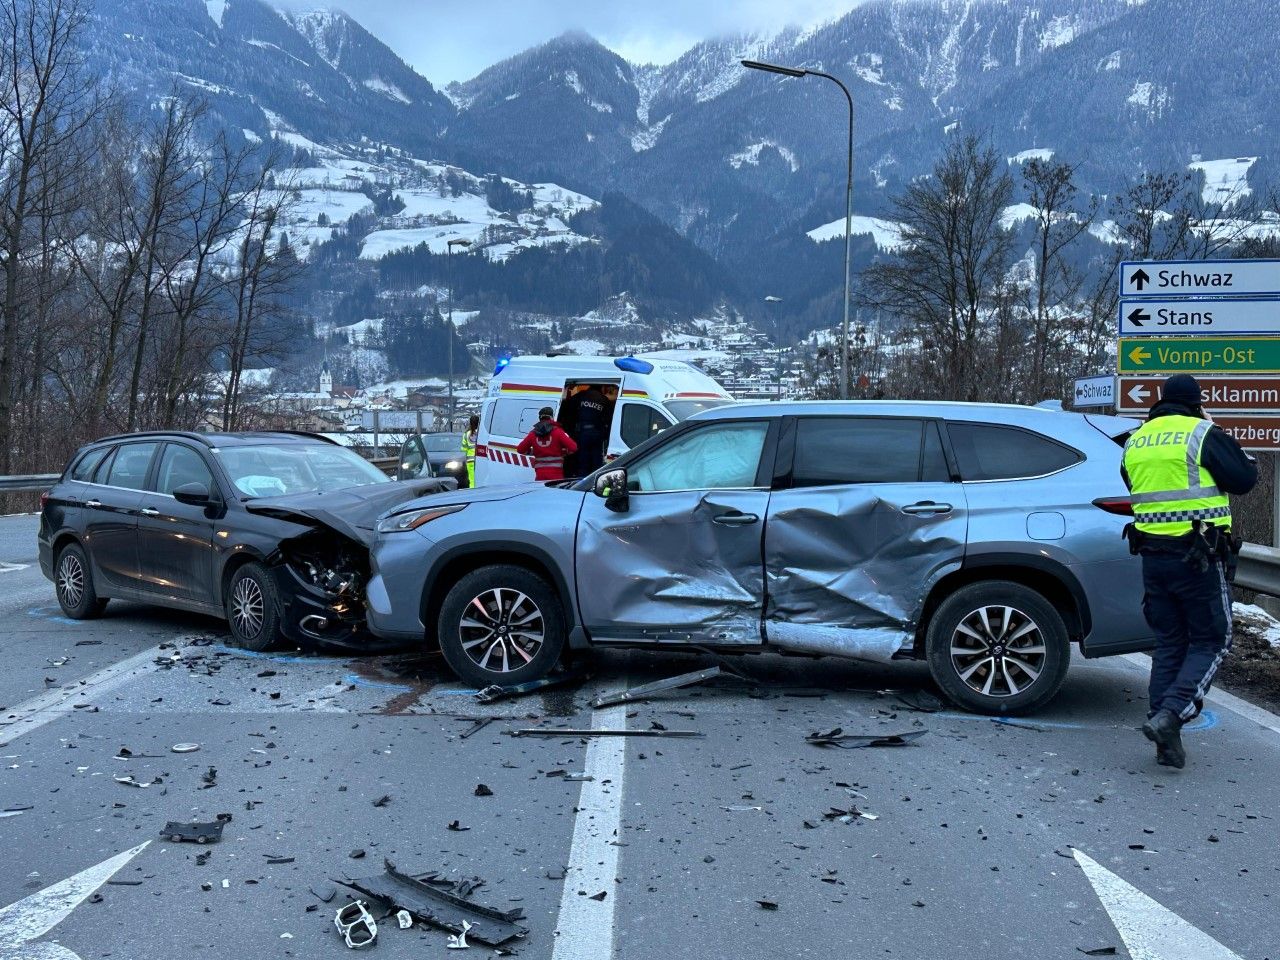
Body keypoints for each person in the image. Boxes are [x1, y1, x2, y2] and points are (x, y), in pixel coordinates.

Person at [1121, 373, 1257, 769]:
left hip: (1153, 559)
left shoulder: (1136, 439)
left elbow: (1133, 484)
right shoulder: (1202, 433)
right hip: (1198, 557)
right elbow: (1245, 478)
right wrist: (1217, 429)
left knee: (1169, 644)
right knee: (1213, 640)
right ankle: (1172, 714)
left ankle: (1165, 740)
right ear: (1197, 403)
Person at [517, 407, 578, 481]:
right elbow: (573, 447)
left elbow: (520, 449)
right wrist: (562, 452)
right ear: (551, 417)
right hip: (556, 476)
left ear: (540, 418)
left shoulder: (533, 433)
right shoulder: (558, 432)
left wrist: (534, 452)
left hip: (540, 475)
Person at [568, 384, 610, 476]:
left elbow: (569, 408)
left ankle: (582, 480)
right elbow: (609, 418)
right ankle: (595, 479)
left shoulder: (581, 395)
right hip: (597, 434)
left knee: (583, 461)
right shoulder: (604, 399)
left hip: (582, 433)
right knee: (596, 462)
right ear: (601, 387)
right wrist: (605, 435)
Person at [461, 414, 479, 488]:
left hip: (470, 460)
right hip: (479, 459)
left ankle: (473, 492)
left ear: (470, 423)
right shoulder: (480, 433)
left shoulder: (466, 434)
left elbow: (464, 448)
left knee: (472, 480)